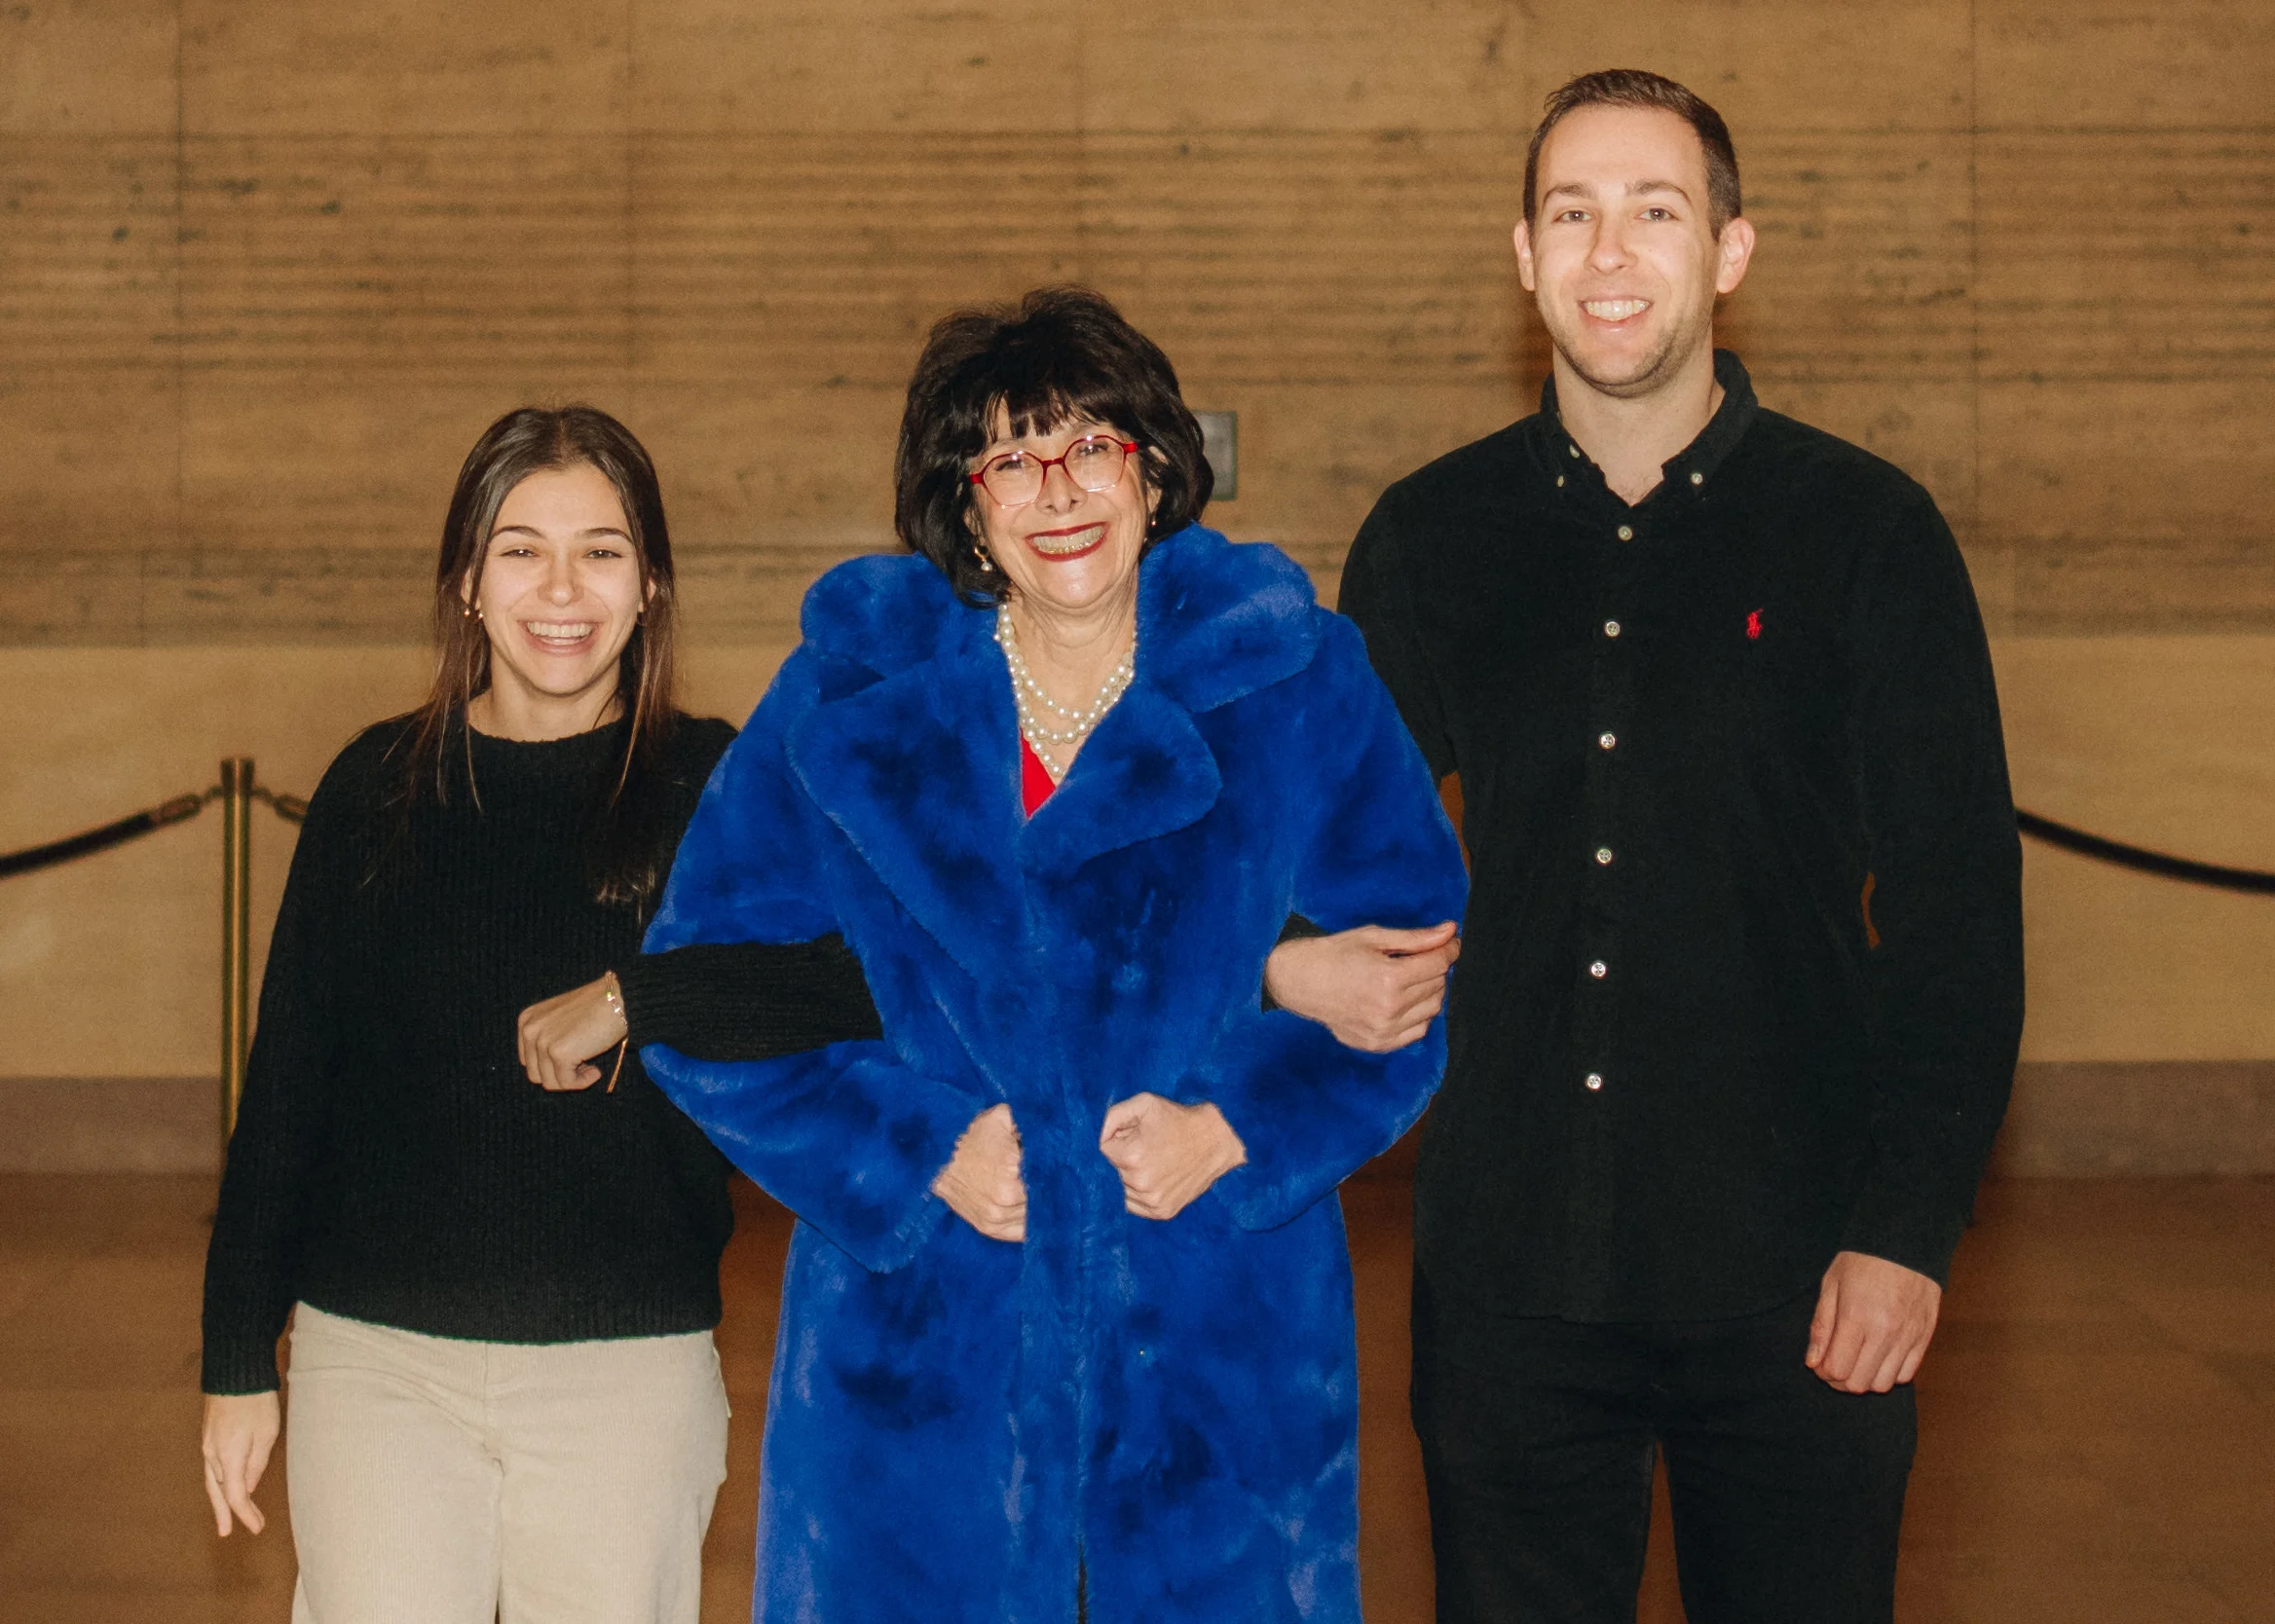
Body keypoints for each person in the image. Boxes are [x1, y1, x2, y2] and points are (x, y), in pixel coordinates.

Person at [632, 285, 1469, 1624]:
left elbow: (1409, 967)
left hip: (1213, 1344)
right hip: (919, 1356)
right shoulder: (848, 707)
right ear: (966, 507)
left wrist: (1239, 1124)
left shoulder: (1292, 681)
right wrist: (917, 1150)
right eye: (1010, 460)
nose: (1057, 491)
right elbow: (704, 995)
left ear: (1153, 467)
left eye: (1090, 446)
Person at [1337, 70, 2026, 1623]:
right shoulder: (1428, 539)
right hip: (1509, 1278)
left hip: (1799, 1281)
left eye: (1657, 209)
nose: (1611, 250)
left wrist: (1905, 1233)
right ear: (1523, 256)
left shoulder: (1869, 536)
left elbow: (1959, 915)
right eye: (1572, 212)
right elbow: (1321, 852)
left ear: (1730, 251)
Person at [196, 406, 871, 1624]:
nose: (561, 588)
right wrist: (237, 1359)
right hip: (378, 1360)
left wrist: (637, 998)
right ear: (465, 581)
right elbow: (289, 1087)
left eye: (602, 550)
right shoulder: (375, 788)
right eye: (521, 548)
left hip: (625, 1371)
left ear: (651, 583)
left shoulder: (710, 785)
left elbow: (860, 978)